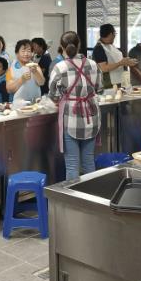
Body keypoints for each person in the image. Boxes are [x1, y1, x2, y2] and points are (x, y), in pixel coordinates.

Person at [49, 31, 102, 180]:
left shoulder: (60, 67)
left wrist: (64, 97)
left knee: (72, 164)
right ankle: (91, 194)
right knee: (88, 161)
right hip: (92, 116)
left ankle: (73, 195)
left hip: (71, 118)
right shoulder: (93, 64)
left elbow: (53, 95)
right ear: (79, 45)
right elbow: (99, 88)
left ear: (62, 47)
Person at [91, 23, 137, 89]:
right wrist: (121, 63)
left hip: (118, 81)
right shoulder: (99, 48)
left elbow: (115, 60)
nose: (114, 37)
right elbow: (103, 68)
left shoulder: (109, 45)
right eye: (114, 34)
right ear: (111, 34)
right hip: (107, 84)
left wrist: (127, 61)